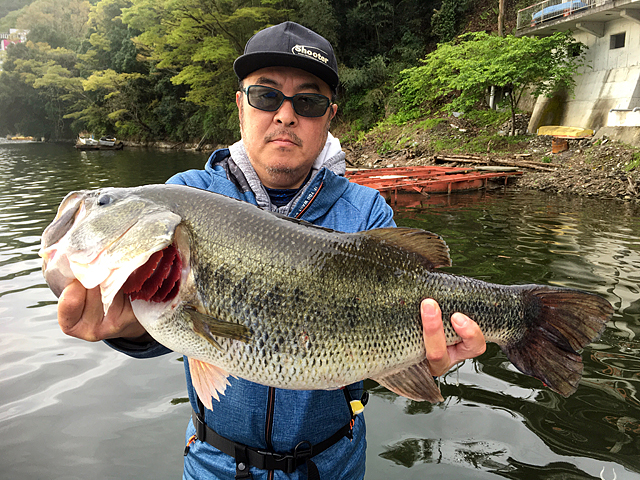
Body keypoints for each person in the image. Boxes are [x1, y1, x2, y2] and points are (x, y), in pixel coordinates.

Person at [56, 21, 486, 480]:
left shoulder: (366, 212)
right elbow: (167, 329)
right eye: (266, 96)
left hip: (333, 464)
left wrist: (429, 359)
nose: (285, 115)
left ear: (329, 116)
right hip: (214, 463)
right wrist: (128, 330)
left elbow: (403, 335)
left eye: (308, 101)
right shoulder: (184, 194)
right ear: (240, 106)